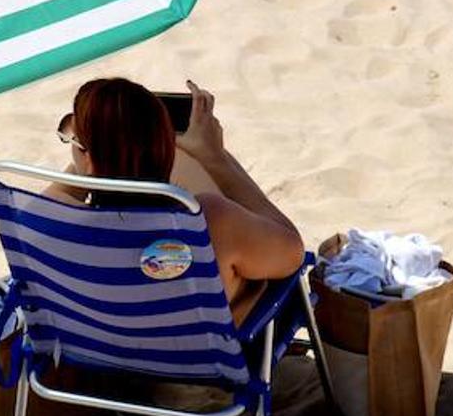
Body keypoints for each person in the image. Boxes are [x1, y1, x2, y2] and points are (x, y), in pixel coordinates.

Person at [48, 77, 304, 324]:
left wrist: (97, 156)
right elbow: (293, 252)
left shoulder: (48, 219)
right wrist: (214, 157)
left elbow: (68, 189)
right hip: (195, 365)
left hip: (99, 361)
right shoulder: (210, 220)